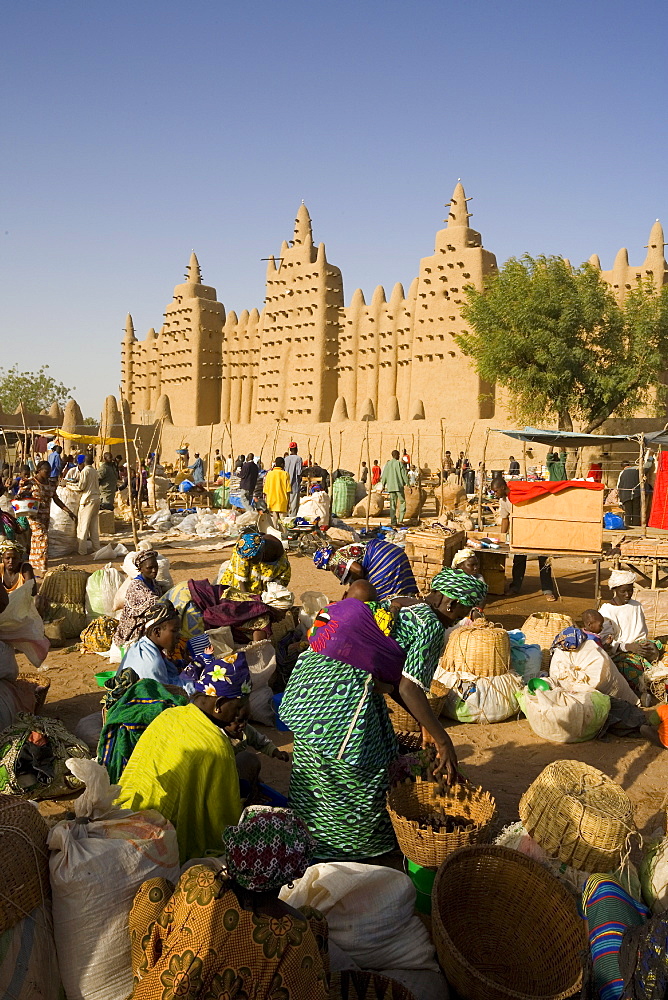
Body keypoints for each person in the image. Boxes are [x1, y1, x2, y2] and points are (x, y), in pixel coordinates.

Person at [281, 567, 487, 860]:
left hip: (313, 681)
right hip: (341, 695)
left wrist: (425, 726)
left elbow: (393, 685)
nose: (461, 619)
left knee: (316, 764)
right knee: (361, 770)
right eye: (464, 611)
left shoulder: (404, 603)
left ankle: (307, 834)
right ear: (452, 604)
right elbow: (408, 688)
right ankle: (345, 849)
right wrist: (444, 741)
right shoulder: (430, 627)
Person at [128, 807, 330, 1000]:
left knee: (156, 889)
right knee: (315, 922)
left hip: (158, 992)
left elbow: (165, 927)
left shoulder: (198, 880)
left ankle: (150, 979)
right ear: (294, 872)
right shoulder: (294, 933)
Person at [116, 657, 246, 862]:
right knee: (249, 765)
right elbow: (221, 819)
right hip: (164, 838)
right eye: (238, 709)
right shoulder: (216, 745)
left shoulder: (171, 715)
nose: (240, 716)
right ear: (219, 705)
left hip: (127, 815)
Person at [599, 570, 662, 695]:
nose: (628, 594)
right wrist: (629, 647)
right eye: (623, 591)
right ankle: (643, 691)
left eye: (630, 590)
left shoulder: (636, 605)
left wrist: (641, 645)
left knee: (656, 647)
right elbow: (606, 641)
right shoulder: (606, 611)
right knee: (629, 670)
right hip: (620, 651)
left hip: (640, 645)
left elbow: (641, 633)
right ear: (615, 590)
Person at [493, 476, 556, 600]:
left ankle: (547, 589)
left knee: (543, 559)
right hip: (520, 532)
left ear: (502, 487)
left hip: (537, 530)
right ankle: (515, 586)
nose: (494, 494)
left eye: (496, 491)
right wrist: (502, 536)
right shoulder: (503, 501)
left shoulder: (519, 494)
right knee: (519, 559)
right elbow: (505, 519)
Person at [18, 460, 75, 576]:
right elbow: (21, 494)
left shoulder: (50, 484)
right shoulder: (31, 483)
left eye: (49, 472)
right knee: (43, 538)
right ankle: (43, 568)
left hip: (45, 517)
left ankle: (32, 566)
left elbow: (56, 499)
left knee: (36, 540)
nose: (48, 474)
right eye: (46, 472)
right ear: (39, 470)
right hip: (34, 517)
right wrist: (21, 496)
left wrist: (68, 511)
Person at [313, 537, 418, 600]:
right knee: (402, 591)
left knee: (380, 597)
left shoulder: (334, 560)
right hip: (395, 552)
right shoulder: (345, 549)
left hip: (382, 560)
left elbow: (357, 569)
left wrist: (359, 587)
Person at [117, 601, 184, 686]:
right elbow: (168, 694)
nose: (179, 636)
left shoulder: (142, 646)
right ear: (157, 632)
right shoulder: (152, 663)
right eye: (174, 631)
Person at [113, 549, 167, 648]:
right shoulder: (136, 586)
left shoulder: (154, 583)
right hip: (134, 629)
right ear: (140, 569)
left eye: (155, 567)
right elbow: (154, 602)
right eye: (149, 568)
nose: (154, 570)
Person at [219, 531, 291, 595]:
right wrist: (246, 598)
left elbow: (281, 577)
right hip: (240, 585)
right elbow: (240, 579)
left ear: (261, 551)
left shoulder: (274, 550)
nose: (250, 562)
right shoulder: (243, 549)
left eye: (253, 559)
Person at [71, 453, 100, 556]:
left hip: (87, 500)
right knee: (93, 527)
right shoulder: (94, 471)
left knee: (83, 526)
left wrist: (68, 485)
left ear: (83, 462)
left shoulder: (85, 471)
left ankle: (82, 551)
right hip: (96, 499)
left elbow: (81, 487)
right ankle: (97, 549)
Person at [381, 449, 409, 527]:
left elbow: (384, 475)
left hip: (390, 487)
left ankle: (393, 521)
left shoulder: (388, 464)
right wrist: (408, 484)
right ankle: (400, 520)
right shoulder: (399, 464)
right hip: (399, 486)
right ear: (397, 455)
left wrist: (383, 485)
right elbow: (404, 475)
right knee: (402, 502)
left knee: (392, 504)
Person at [617, 461, 650, 527]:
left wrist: (620, 498)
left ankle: (627, 524)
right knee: (636, 510)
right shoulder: (637, 469)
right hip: (636, 493)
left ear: (622, 467)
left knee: (628, 511)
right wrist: (650, 459)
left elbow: (619, 486)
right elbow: (647, 467)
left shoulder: (623, 473)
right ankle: (636, 524)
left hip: (625, 494)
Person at [263, 456, 291, 527]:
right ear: (282, 464)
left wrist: (266, 502)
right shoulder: (285, 474)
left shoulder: (269, 474)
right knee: (283, 522)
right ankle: (283, 536)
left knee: (274, 522)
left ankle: (275, 536)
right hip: (282, 501)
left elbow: (265, 490)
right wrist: (288, 503)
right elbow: (288, 490)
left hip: (271, 501)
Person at [284, 442, 303, 516]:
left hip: (286, 485)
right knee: (294, 506)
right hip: (294, 485)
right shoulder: (298, 459)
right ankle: (292, 521)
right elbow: (299, 473)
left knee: (286, 505)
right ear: (297, 449)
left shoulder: (286, 459)